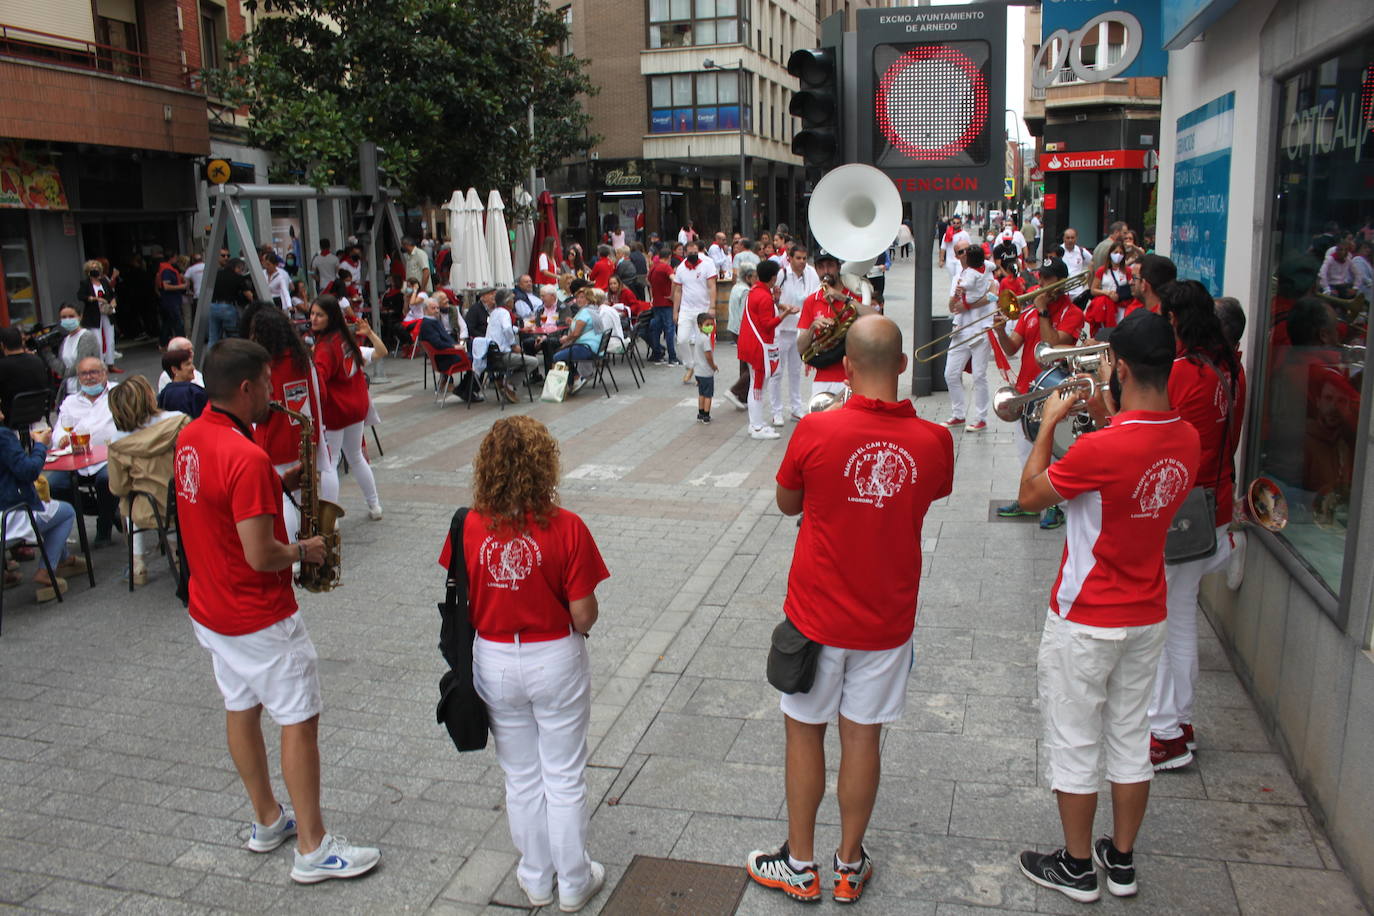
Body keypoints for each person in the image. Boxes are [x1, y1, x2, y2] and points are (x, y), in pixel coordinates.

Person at [746, 315, 954, 905]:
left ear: (850, 367)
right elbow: (931, 491)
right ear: (905, 366)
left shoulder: (816, 429)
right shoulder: (935, 442)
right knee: (863, 738)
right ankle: (849, 863)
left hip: (815, 615)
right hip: (886, 621)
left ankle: (800, 863)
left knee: (804, 731)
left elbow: (788, 504)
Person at [174, 338, 381, 884]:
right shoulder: (244, 455)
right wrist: (304, 551)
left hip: (211, 609)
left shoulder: (192, 436)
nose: (274, 391)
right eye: (267, 383)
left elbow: (218, 504)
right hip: (258, 613)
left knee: (240, 706)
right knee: (298, 719)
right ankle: (313, 848)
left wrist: (274, 481)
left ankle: (267, 819)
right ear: (246, 389)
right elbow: (261, 553)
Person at [1013, 309, 1199, 904]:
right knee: (1128, 736)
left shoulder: (1106, 449)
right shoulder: (1186, 436)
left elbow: (1028, 494)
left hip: (1087, 615)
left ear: (1117, 365)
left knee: (1074, 739)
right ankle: (1120, 861)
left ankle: (1074, 865)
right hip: (1147, 612)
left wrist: (1047, 423)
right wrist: (1105, 416)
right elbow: (1135, 455)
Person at [437, 416, 608, 911]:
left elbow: (461, 593)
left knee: (521, 775)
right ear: (544, 466)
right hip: (554, 652)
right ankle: (574, 880)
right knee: (564, 773)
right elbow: (583, 614)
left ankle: (535, 876)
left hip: (493, 656)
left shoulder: (468, 524)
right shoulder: (567, 525)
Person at [1147, 280, 1246, 771]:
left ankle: (1165, 733)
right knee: (1182, 618)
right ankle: (1179, 723)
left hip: (1184, 512)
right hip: (1216, 505)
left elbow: (1155, 436)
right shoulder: (1230, 367)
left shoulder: (1186, 373)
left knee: (1163, 623)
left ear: (1175, 320)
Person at [992, 257, 1087, 529]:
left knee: (1054, 453)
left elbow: (1052, 349)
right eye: (1040, 278)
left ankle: (1054, 505)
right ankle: (1030, 500)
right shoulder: (1028, 313)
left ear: (1062, 282)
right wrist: (1000, 332)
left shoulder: (1072, 313)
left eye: (1046, 279)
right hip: (1026, 392)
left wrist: (1044, 311)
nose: (1040, 284)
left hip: (1054, 392)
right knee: (1026, 452)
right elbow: (1012, 349)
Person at [247, 307, 338, 538]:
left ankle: (293, 554)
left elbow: (257, 410)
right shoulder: (303, 358)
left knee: (282, 497)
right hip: (306, 436)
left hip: (274, 439)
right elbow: (321, 396)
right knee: (305, 494)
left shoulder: (263, 366)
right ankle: (316, 537)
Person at [107, 375, 188, 584]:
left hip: (150, 506)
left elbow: (118, 487)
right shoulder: (179, 421)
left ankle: (138, 564)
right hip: (188, 497)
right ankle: (177, 553)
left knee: (127, 499)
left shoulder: (118, 443)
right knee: (166, 493)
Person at [310, 295, 382, 520]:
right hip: (356, 407)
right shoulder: (346, 339)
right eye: (312, 313)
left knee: (329, 464)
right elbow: (378, 353)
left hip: (336, 412)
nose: (313, 318)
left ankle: (330, 521)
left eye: (319, 314)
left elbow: (318, 383)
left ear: (330, 317)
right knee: (356, 456)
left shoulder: (324, 348)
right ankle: (375, 506)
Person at [0, 407, 80, 601]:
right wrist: (40, 446)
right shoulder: (3, 436)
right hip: (10, 516)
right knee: (66, 511)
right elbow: (29, 471)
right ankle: (47, 570)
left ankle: (64, 559)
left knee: (48, 506)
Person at [47, 357, 120, 546]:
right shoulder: (71, 401)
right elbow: (60, 430)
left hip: (108, 457)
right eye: (84, 374)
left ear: (104, 373)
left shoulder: (117, 393)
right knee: (53, 485)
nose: (89, 377)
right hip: (77, 459)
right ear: (78, 377)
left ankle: (104, 525)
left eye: (94, 372)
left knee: (106, 480)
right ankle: (105, 511)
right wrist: (61, 438)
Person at [795, 252, 874, 403]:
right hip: (823, 378)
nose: (826, 271)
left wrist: (843, 298)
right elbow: (800, 349)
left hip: (854, 376)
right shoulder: (811, 301)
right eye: (821, 267)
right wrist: (812, 328)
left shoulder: (854, 296)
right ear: (816, 270)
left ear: (838, 267)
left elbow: (874, 317)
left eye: (830, 266)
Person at [941, 243, 997, 432]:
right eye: (960, 252)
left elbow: (994, 295)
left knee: (979, 375)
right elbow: (952, 307)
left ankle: (981, 417)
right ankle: (958, 414)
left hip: (981, 327)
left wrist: (968, 306)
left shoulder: (986, 269)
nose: (964, 254)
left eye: (966, 250)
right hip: (961, 328)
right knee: (950, 373)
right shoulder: (958, 276)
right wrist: (956, 297)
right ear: (957, 256)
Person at [737, 259, 794, 440]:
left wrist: (775, 300)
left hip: (751, 344)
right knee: (758, 386)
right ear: (773, 277)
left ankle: (756, 424)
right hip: (759, 347)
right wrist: (786, 313)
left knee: (757, 384)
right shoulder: (763, 297)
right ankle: (757, 427)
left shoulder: (756, 291)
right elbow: (768, 324)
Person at [775, 246, 820, 423]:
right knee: (777, 372)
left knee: (795, 371)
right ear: (790, 259)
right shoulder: (782, 275)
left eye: (804, 258)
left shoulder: (811, 274)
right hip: (783, 328)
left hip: (801, 330)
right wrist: (785, 308)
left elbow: (816, 296)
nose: (802, 262)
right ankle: (776, 411)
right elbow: (773, 299)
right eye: (798, 258)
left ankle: (796, 407)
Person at [418, 295, 481, 403]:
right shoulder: (428, 324)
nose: (437, 310)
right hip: (445, 359)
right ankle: (466, 391)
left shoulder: (433, 321)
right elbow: (437, 343)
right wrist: (453, 347)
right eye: (433, 308)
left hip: (448, 355)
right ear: (425, 310)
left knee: (476, 356)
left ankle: (463, 389)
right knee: (478, 360)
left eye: (437, 308)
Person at [485, 289, 543, 402]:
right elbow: (506, 328)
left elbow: (503, 328)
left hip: (491, 356)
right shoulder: (505, 313)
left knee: (523, 359)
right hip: (502, 356)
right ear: (507, 302)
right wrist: (513, 345)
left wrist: (519, 329)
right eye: (512, 299)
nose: (514, 301)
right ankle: (509, 384)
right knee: (533, 362)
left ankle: (504, 382)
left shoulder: (495, 313)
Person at [673, 240, 718, 383]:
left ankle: (701, 371)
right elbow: (678, 291)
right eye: (690, 253)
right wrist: (675, 311)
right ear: (685, 253)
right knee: (681, 340)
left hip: (703, 309)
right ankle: (690, 366)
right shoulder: (680, 268)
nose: (693, 255)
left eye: (695, 252)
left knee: (701, 342)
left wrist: (712, 307)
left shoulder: (707, 265)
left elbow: (712, 286)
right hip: (686, 309)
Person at [1084, 241, 1139, 336]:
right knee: (1105, 335)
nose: (1118, 255)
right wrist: (1108, 293)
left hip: (1122, 308)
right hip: (1105, 307)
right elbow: (1093, 290)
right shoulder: (1102, 270)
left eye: (1121, 253)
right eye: (1115, 252)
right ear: (1110, 254)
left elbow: (1132, 289)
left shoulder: (1128, 271)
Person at [0, 326, 52, 417]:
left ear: (2, 345)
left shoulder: (2, 365)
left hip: (11, 415)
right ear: (22, 342)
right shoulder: (37, 360)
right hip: (39, 412)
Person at [725, 263, 758, 409]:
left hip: (734, 329)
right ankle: (735, 391)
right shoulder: (745, 291)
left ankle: (742, 396)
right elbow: (746, 314)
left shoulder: (736, 287)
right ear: (748, 277)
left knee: (744, 363)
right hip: (742, 330)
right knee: (752, 366)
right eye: (754, 276)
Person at [76, 259, 119, 370]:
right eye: (92, 268)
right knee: (98, 341)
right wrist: (94, 298)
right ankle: (99, 365)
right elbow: (81, 296)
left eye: (96, 267)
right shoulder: (85, 283)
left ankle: (110, 364)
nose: (95, 270)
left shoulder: (104, 281)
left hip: (106, 311)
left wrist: (113, 301)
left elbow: (112, 293)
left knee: (110, 339)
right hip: (93, 313)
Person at [51, 304, 101, 399]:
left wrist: (64, 372)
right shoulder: (65, 340)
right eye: (64, 317)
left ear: (80, 316)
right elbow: (60, 366)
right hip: (69, 391)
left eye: (71, 316)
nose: (68, 320)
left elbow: (80, 366)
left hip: (87, 390)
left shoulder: (87, 337)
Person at [209, 258, 253, 346]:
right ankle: (232, 357)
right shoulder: (238, 278)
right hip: (227, 307)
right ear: (237, 267)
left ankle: (210, 358)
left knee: (213, 337)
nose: (241, 272)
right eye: (241, 269)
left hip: (213, 306)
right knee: (233, 337)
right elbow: (248, 295)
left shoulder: (216, 274)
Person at [646, 250, 677, 365]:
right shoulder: (666, 267)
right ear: (669, 257)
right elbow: (675, 280)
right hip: (667, 303)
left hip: (657, 303)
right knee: (669, 330)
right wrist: (672, 295)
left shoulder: (654, 267)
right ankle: (672, 357)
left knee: (656, 329)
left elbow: (648, 281)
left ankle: (657, 354)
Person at [158, 350, 209, 418]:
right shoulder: (194, 393)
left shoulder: (164, 394)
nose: (193, 368)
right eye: (188, 364)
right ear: (174, 369)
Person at [155, 249, 188, 346]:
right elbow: (166, 286)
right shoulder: (167, 270)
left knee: (168, 322)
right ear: (172, 258)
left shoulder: (167, 269)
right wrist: (181, 286)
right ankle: (181, 342)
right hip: (171, 300)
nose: (177, 259)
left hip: (170, 300)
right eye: (176, 257)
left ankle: (163, 342)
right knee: (178, 323)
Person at [692, 312, 718, 424]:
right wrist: (714, 366)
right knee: (708, 395)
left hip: (698, 372)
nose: (710, 327)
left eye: (711, 324)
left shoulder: (698, 337)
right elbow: (708, 356)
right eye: (707, 325)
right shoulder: (705, 340)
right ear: (699, 325)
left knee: (701, 394)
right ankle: (706, 415)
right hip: (706, 372)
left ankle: (700, 413)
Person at [938, 214, 971, 283]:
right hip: (950, 260)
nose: (956, 224)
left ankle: (957, 292)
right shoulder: (947, 234)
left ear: (960, 224)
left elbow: (969, 247)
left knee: (958, 277)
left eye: (957, 223)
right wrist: (941, 260)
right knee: (952, 279)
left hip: (960, 260)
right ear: (951, 223)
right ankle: (953, 292)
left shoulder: (964, 234)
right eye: (954, 223)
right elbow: (943, 247)